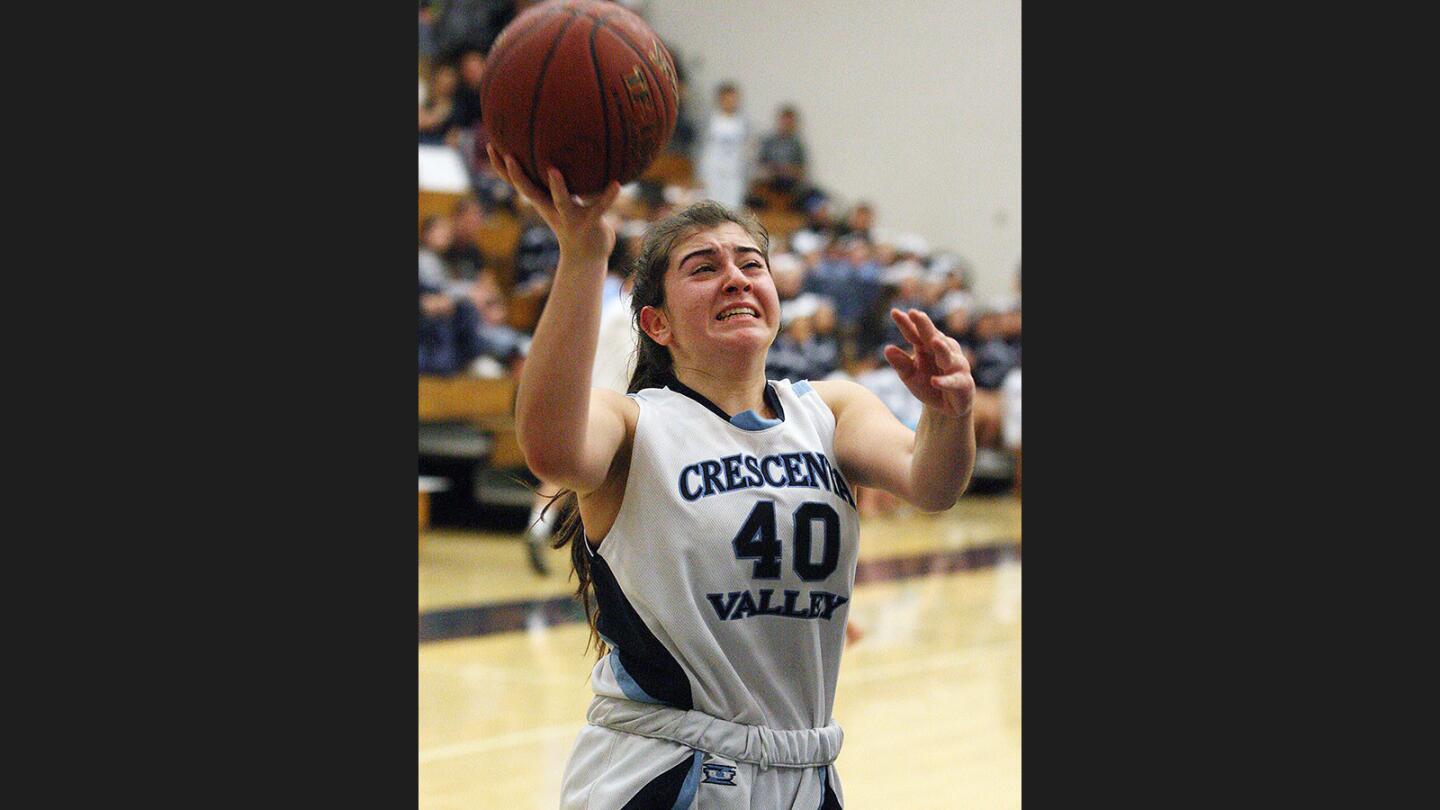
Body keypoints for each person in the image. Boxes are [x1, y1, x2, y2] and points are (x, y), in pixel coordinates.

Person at [486, 143, 976, 809]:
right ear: (656, 323)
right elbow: (550, 447)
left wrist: (951, 414)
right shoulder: (636, 425)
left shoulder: (829, 409)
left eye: (752, 265)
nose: (737, 278)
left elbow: (932, 484)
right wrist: (583, 254)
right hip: (666, 771)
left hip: (805, 768)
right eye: (704, 268)